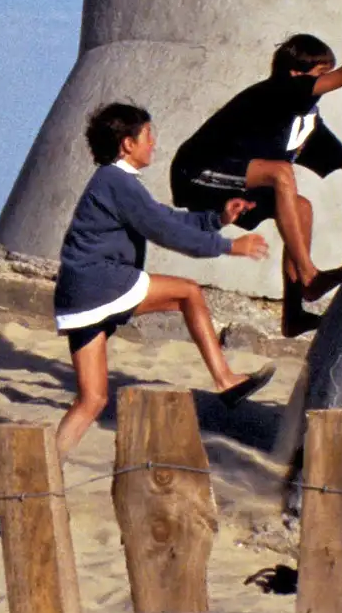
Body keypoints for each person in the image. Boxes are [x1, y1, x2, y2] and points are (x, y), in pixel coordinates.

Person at [168, 27, 342, 335]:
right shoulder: (278, 91)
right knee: (281, 173)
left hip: (236, 180)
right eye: (320, 75)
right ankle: (310, 275)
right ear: (295, 73)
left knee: (301, 207)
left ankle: (294, 314)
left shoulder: (304, 120)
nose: (324, 83)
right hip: (198, 172)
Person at [53, 101, 275, 458]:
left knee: (91, 399)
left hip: (76, 296)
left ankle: (44, 470)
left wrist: (216, 219)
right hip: (101, 283)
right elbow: (163, 231)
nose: (153, 142)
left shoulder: (114, 181)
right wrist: (229, 247)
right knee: (189, 293)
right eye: (147, 135)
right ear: (128, 144)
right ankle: (226, 379)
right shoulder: (117, 182)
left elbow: (163, 217)